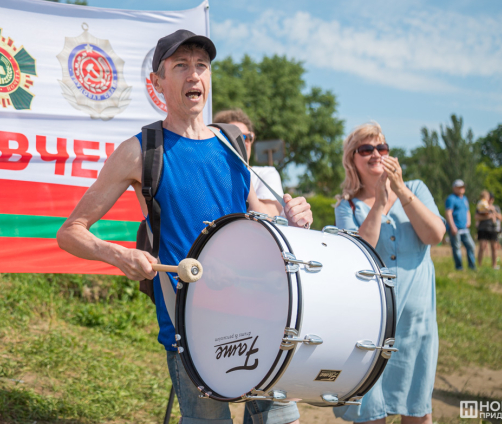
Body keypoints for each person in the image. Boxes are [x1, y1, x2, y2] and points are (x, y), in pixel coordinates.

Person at [57, 30, 312, 424]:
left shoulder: (231, 143)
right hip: (191, 326)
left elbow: (258, 214)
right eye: (180, 66)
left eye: (201, 65)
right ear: (157, 82)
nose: (194, 74)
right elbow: (71, 232)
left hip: (258, 311)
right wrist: (119, 254)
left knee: (279, 419)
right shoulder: (141, 151)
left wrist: (291, 220)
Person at [333, 122, 445, 424]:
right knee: (371, 412)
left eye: (381, 148)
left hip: (416, 323)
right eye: (366, 149)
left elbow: (435, 234)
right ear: (352, 159)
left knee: (417, 409)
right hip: (373, 324)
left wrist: (400, 190)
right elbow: (358, 253)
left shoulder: (416, 189)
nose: (375, 154)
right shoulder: (346, 206)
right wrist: (380, 202)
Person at [213, 108, 284, 217]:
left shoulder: (266, 173)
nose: (243, 142)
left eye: (247, 137)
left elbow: (269, 217)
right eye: (235, 137)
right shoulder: (211, 176)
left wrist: (242, 170)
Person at [445, 180, 476, 270]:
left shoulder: (465, 198)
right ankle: (459, 267)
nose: (461, 189)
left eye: (462, 187)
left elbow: (467, 211)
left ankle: (472, 266)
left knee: (471, 246)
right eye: (459, 187)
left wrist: (469, 221)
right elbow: (448, 213)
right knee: (457, 248)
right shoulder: (451, 199)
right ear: (454, 188)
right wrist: (452, 227)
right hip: (456, 228)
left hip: (464, 228)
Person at [475, 190, 498, 268]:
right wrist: (488, 217)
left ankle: (494, 265)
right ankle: (479, 265)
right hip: (483, 229)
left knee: (494, 248)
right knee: (481, 247)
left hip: (493, 229)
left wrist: (493, 211)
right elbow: (476, 217)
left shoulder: (495, 207)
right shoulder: (481, 206)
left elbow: (499, 217)